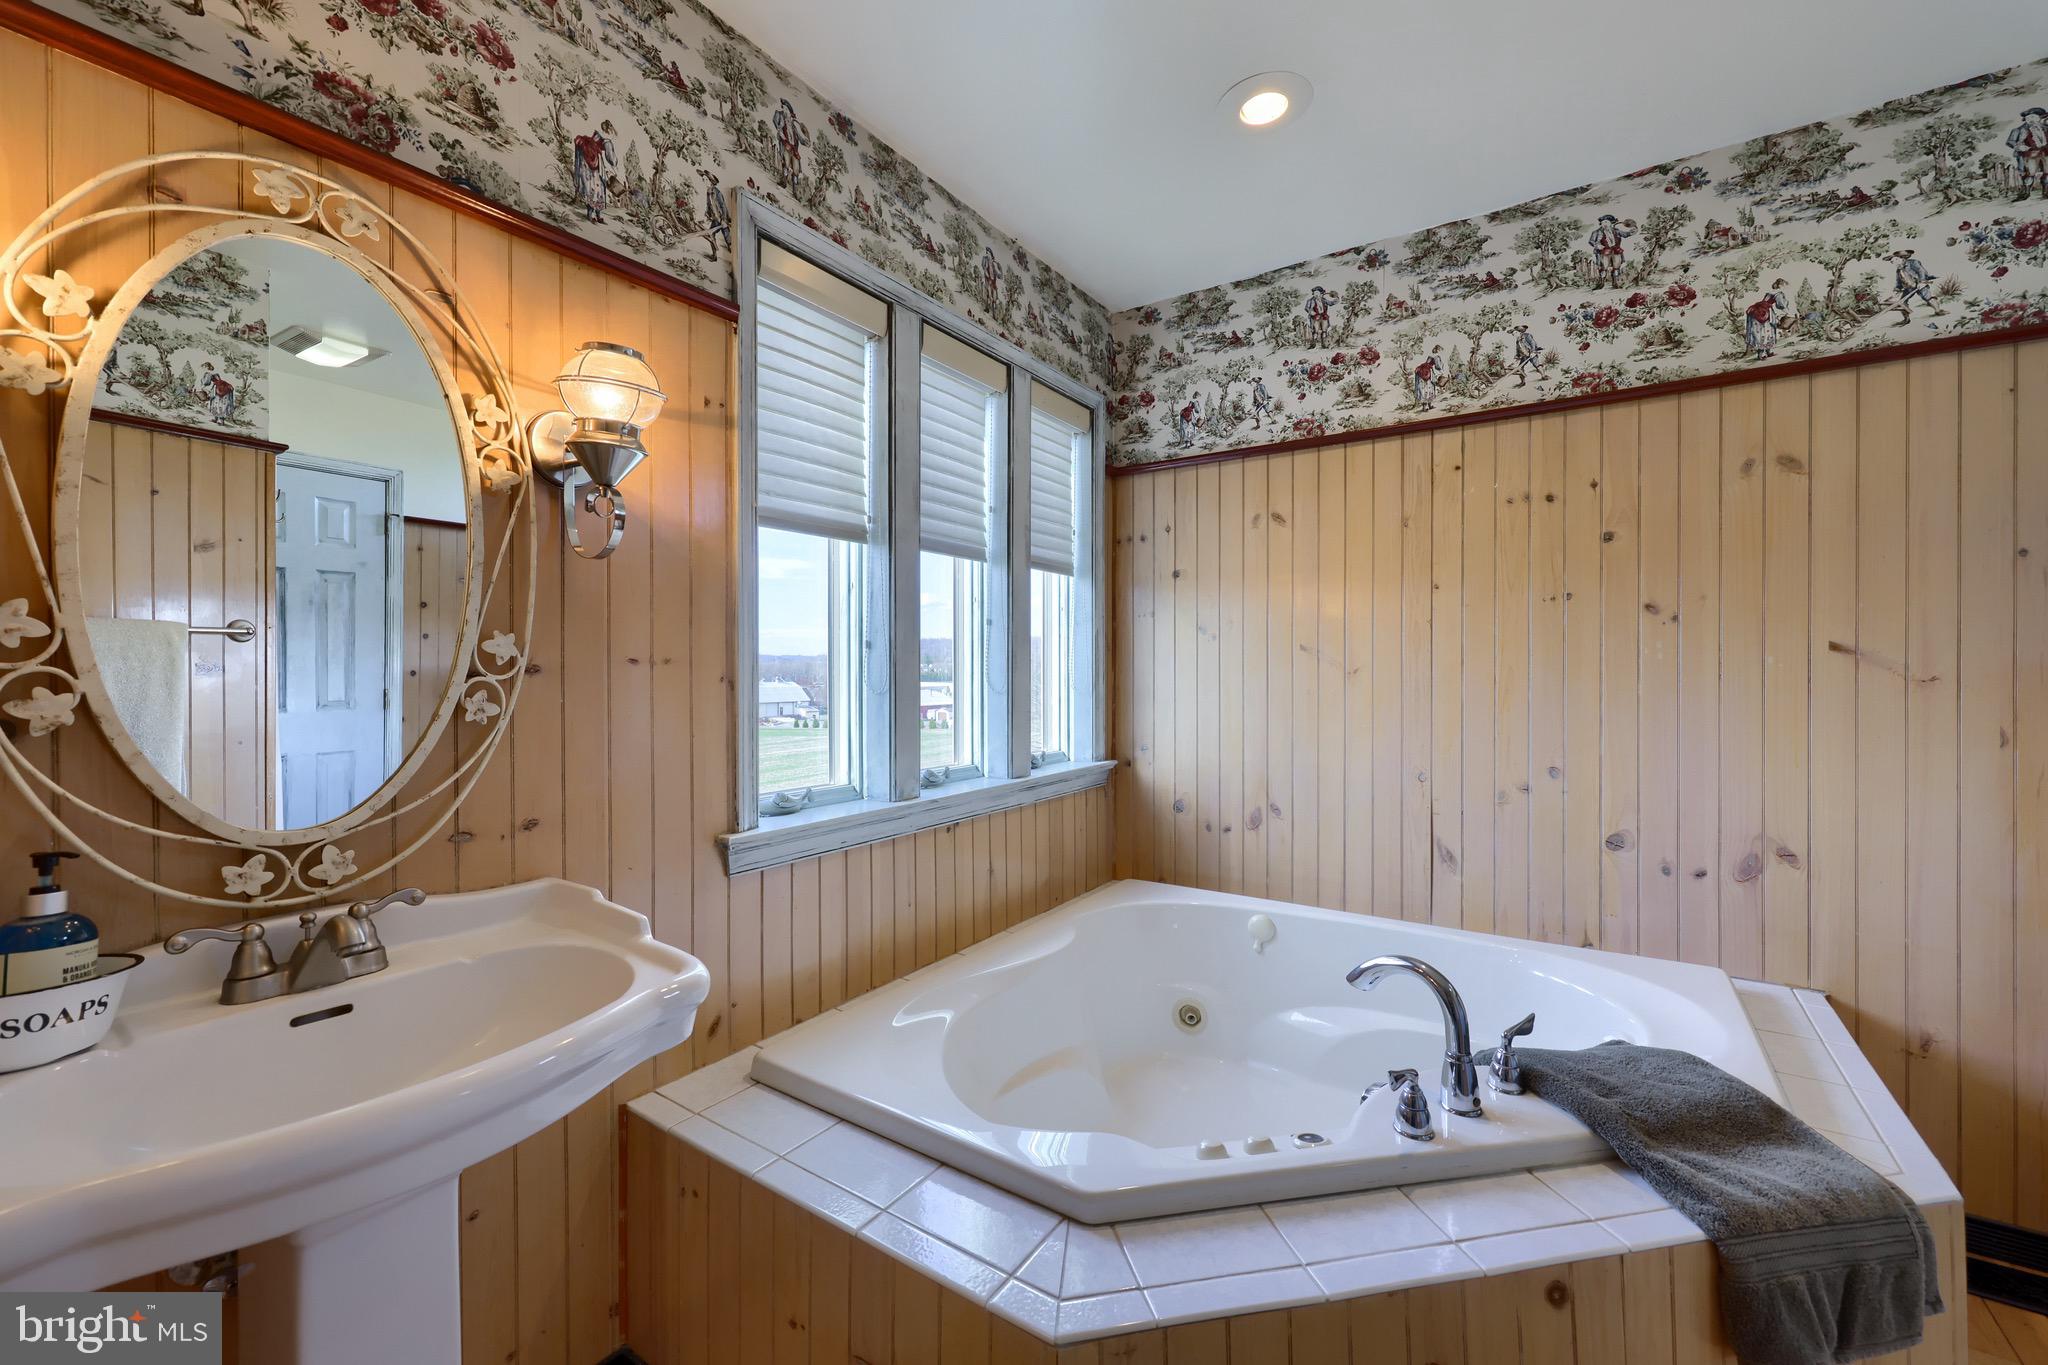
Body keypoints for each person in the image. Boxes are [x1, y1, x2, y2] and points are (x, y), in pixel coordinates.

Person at [572, 120, 617, 223]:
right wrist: (615, 166)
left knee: (592, 188)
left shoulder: (596, 134)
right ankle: (592, 214)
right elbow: (611, 158)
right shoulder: (607, 139)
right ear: (609, 129)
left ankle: (596, 214)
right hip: (594, 165)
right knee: (597, 189)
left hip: (587, 164)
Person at [1744, 278, 1791, 360]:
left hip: (1758, 309)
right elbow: (1781, 305)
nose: (1785, 288)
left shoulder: (1770, 292)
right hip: (1765, 312)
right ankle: (1761, 354)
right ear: (1780, 285)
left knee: (1761, 331)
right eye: (1784, 286)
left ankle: (1767, 352)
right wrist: (1787, 311)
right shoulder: (1778, 293)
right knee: (1766, 331)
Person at [1889, 250, 1943, 321]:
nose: (1893, 262)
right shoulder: (1898, 270)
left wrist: (1922, 282)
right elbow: (1898, 281)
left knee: (1928, 297)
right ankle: (1906, 318)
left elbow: (1922, 271)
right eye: (1892, 261)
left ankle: (1938, 311)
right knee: (1902, 302)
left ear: (1902, 258)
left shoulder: (1913, 263)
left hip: (1919, 284)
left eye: (1895, 260)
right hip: (1909, 287)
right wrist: (1897, 289)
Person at [2008, 106, 2048, 202]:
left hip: (2046, 153)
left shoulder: (2045, 128)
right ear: (2025, 119)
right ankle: (2026, 193)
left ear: (2039, 118)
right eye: (2029, 118)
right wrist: (2019, 147)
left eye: (2034, 117)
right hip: (2030, 154)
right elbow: (2010, 141)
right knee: (2029, 174)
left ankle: (2046, 192)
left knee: (2047, 173)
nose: (2032, 120)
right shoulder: (2018, 130)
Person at [1587, 215, 1633, 288]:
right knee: (1603, 268)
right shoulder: (1596, 232)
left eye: (1606, 222)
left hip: (1616, 251)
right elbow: (1591, 241)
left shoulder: (1616, 231)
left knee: (1616, 267)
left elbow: (1625, 234)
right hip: (1604, 252)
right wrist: (1597, 245)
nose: (1604, 224)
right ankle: (1601, 283)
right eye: (1603, 222)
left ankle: (1615, 283)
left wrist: (1631, 232)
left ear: (1610, 223)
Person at [772, 98, 808, 187]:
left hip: (794, 148)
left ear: (788, 110)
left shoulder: (793, 123)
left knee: (796, 169)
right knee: (786, 164)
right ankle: (784, 182)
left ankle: (795, 188)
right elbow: (778, 128)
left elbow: (799, 136)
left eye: (785, 108)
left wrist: (805, 141)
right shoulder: (781, 118)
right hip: (786, 145)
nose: (783, 110)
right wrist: (784, 140)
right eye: (783, 108)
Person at [701, 170, 730, 259]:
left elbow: (723, 206)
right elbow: (708, 204)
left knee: (728, 239)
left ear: (711, 181)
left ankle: (732, 254)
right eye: (703, 179)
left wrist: (724, 220)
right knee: (711, 235)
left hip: (721, 219)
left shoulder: (717, 193)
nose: (703, 181)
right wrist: (707, 213)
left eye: (705, 179)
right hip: (715, 219)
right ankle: (714, 256)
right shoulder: (708, 192)